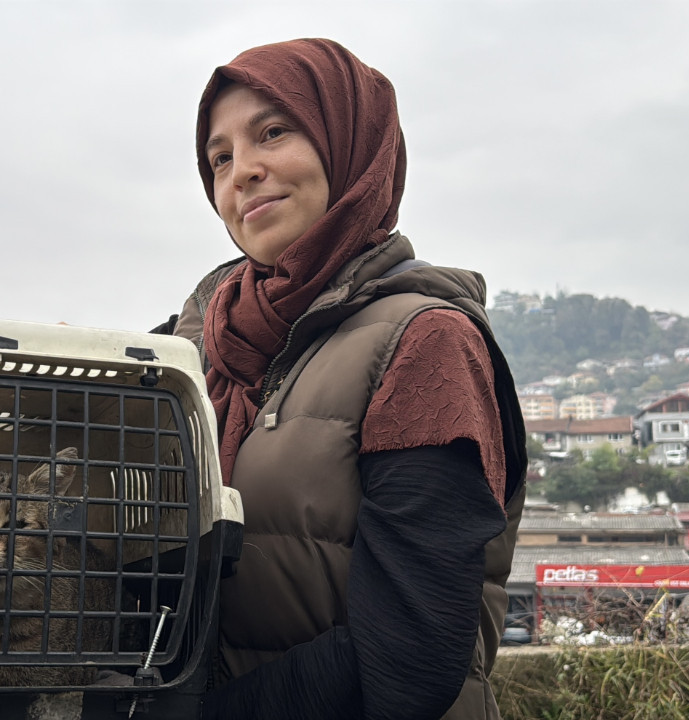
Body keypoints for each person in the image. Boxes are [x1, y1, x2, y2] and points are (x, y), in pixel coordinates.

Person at [155, 39, 527, 719]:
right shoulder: (202, 345)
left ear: (350, 139)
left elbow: (408, 659)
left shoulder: (425, 344)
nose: (244, 171)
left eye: (274, 131)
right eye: (220, 158)